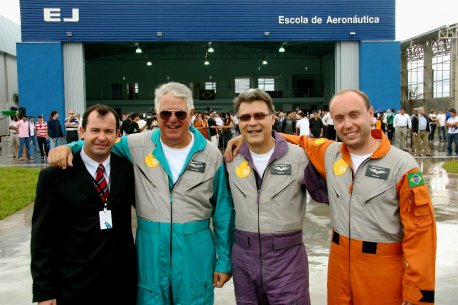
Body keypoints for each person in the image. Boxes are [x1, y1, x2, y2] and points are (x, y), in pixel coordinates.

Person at [226, 89, 436, 305]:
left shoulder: (402, 165)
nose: (348, 124)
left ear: (370, 113)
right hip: (339, 264)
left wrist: (419, 292)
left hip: (382, 268)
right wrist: (248, 135)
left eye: (354, 115)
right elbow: (297, 141)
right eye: (339, 118)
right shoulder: (330, 153)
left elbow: (421, 233)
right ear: (332, 121)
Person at [48, 82, 235, 305]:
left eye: (180, 113)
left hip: (196, 249)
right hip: (150, 249)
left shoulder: (211, 154)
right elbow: (101, 143)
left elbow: (223, 212)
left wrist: (224, 261)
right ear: (156, 115)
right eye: (165, 113)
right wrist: (70, 147)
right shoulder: (134, 145)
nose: (172, 119)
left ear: (191, 114)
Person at [31, 104, 137, 305]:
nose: (101, 137)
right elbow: (42, 237)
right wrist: (44, 291)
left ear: (117, 135)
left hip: (121, 284)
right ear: (82, 131)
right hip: (73, 285)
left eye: (108, 131)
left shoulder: (126, 169)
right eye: (95, 130)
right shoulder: (55, 176)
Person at [226, 88, 323, 304]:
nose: (252, 122)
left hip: (287, 259)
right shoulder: (230, 159)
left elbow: (327, 194)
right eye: (245, 117)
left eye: (259, 116)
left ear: (272, 117)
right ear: (238, 122)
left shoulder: (300, 157)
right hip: (243, 258)